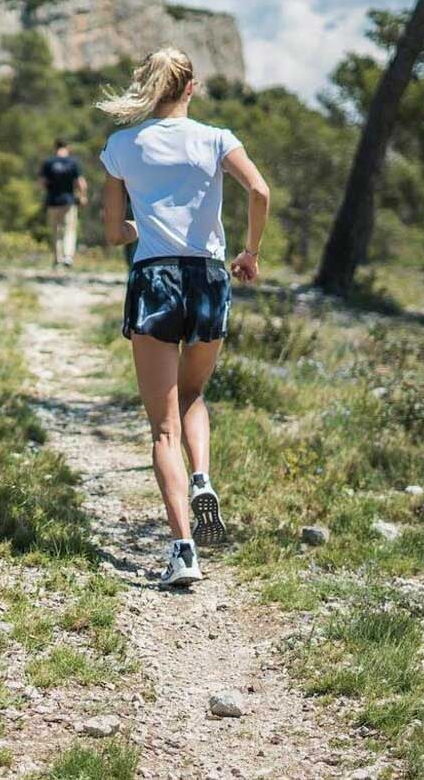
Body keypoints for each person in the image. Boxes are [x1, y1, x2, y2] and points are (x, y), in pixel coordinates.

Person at [97, 47, 270, 587]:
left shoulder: (122, 146)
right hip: (209, 278)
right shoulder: (218, 139)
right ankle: (202, 477)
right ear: (191, 87)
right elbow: (260, 190)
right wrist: (249, 254)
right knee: (194, 394)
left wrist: (138, 229)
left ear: (146, 86)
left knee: (162, 426)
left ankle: (182, 550)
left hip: (154, 279)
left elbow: (112, 232)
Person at [39, 139, 88, 267]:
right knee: (69, 229)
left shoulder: (48, 163)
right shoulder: (73, 163)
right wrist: (82, 197)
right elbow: (81, 183)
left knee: (55, 231)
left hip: (52, 201)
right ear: (68, 147)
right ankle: (67, 256)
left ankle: (57, 259)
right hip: (68, 201)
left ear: (55, 147)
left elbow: (42, 183)